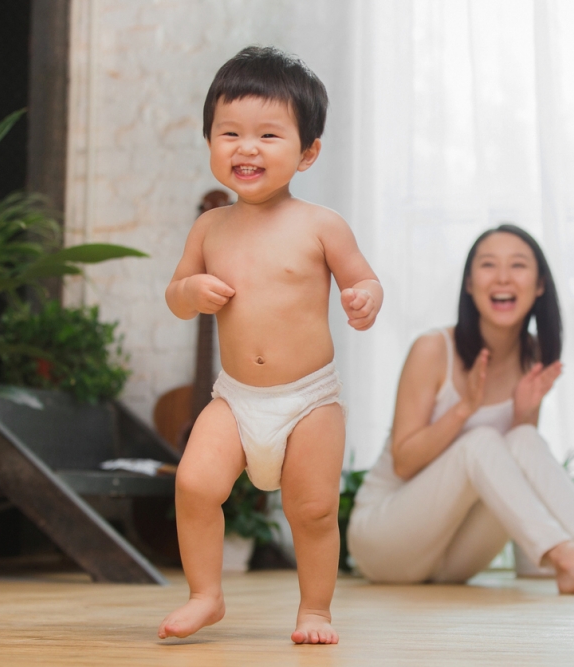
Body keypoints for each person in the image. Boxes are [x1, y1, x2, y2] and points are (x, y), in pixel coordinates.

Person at [159, 46, 383, 644]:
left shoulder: (321, 225)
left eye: (268, 134)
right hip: (234, 399)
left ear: (307, 152)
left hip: (309, 399)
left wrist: (365, 298)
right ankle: (206, 594)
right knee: (194, 485)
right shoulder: (209, 227)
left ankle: (316, 610)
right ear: (209, 140)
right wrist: (191, 290)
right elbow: (175, 297)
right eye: (228, 132)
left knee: (312, 511)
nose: (246, 147)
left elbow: (362, 279)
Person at [347, 225, 574, 596]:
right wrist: (464, 410)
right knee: (481, 440)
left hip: (452, 561)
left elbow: (515, 466)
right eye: (488, 265)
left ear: (539, 284)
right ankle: (571, 561)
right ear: (469, 283)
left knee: (524, 437)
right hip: (385, 542)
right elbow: (403, 463)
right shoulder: (433, 349)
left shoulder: (532, 356)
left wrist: (522, 416)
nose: (502, 278)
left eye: (517, 265)